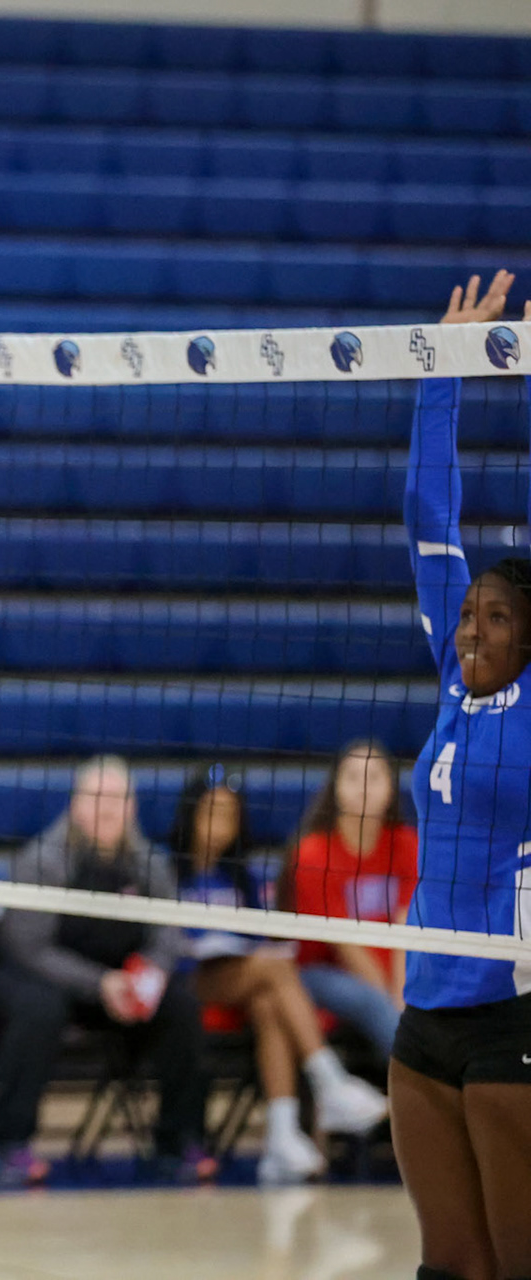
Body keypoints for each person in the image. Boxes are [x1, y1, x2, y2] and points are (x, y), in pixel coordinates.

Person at [389, 269, 531, 1280]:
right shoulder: (454, 680)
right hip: (425, 1002)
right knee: (449, 1264)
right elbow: (425, 509)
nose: (472, 628)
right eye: (468, 611)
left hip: (515, 1006)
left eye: (497, 617)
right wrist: (443, 367)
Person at [0, 756, 206, 1185]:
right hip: (27, 977)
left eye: (117, 799)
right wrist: (102, 984)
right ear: (76, 805)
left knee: (181, 1005)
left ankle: (180, 1139)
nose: (107, 808)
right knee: (39, 1006)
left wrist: (145, 979)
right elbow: (30, 948)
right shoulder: (43, 859)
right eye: (96, 799)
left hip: (113, 986)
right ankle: (11, 1143)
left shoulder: (149, 863)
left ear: (132, 806)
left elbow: (168, 934)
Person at [169, 765, 388, 1185]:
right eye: (212, 813)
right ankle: (330, 1082)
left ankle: (281, 1138)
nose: (220, 825)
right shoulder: (168, 871)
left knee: (269, 998)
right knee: (273, 971)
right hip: (186, 984)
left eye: (231, 816)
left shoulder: (241, 877)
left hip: (240, 982)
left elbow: (256, 935)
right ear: (191, 814)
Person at [280, 740, 417, 1062]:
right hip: (321, 973)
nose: (363, 788)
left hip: (396, 971)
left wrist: (401, 993)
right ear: (336, 786)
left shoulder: (408, 844)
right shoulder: (313, 854)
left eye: (374, 777)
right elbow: (345, 944)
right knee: (370, 1000)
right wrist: (391, 1001)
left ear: (391, 788)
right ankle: (418, 1076)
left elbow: (406, 926)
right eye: (353, 777)